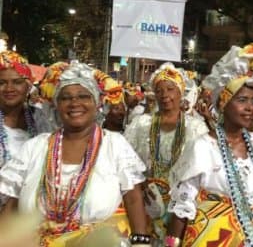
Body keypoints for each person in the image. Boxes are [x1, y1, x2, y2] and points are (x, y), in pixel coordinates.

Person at [0, 61, 151, 246]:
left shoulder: (114, 144)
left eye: (83, 96)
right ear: (57, 105)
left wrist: (141, 241)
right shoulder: (35, 147)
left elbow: (133, 198)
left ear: (96, 103)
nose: (74, 103)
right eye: (66, 98)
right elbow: (12, 205)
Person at [165, 45, 253, 247]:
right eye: (242, 100)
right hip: (221, 236)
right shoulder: (203, 147)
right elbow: (183, 207)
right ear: (223, 103)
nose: (251, 108)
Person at [124, 62, 208, 243]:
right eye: (159, 90)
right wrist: (141, 183)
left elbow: (201, 169)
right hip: (145, 200)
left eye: (170, 89)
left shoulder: (196, 127)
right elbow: (126, 163)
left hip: (180, 206)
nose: (165, 95)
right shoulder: (141, 124)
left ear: (180, 92)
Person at [0, 51, 49, 208]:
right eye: (2, 83)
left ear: (28, 86)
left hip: (32, 212)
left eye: (17, 82)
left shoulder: (40, 118)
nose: (9, 88)